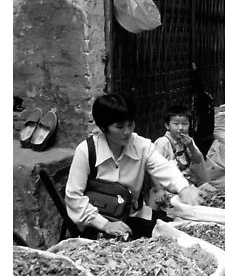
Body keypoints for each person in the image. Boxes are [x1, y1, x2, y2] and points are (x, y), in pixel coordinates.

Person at [65, 93, 203, 239]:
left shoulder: (141, 146)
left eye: (130, 124)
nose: (127, 131)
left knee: (177, 233)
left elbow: (163, 167)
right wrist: (105, 224)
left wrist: (184, 188)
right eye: (119, 127)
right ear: (103, 127)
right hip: (97, 220)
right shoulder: (86, 151)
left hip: (133, 215)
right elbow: (74, 197)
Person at [149, 104, 210, 212]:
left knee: (211, 194)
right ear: (167, 125)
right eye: (176, 124)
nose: (180, 128)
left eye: (185, 124)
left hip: (187, 185)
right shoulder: (162, 143)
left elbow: (197, 160)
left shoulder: (188, 141)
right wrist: (159, 189)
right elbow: (154, 167)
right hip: (167, 189)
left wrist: (191, 146)